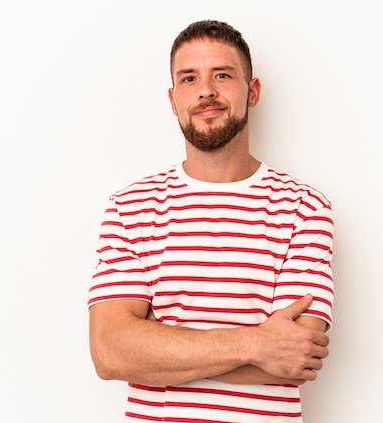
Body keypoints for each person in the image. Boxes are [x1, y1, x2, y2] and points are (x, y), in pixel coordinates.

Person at [88, 19, 334, 422]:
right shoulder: (130, 207)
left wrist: (154, 345)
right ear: (172, 99)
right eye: (189, 78)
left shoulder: (304, 207)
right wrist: (258, 344)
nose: (206, 90)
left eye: (222, 74)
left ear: (253, 92)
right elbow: (110, 352)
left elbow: (295, 355)